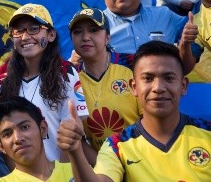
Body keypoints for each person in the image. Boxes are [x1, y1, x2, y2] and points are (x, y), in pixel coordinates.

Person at [57, 41, 211, 181]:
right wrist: (76, 150)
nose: (158, 88)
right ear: (134, 87)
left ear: (183, 86)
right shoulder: (117, 145)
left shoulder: (207, 133)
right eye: (148, 78)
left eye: (169, 78)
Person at [0, 3, 89, 163]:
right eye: (18, 31)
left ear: (51, 35)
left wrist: (62, 176)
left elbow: (71, 133)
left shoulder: (66, 72)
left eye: (34, 29)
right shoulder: (0, 76)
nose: (25, 37)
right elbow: (4, 134)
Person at [68, 8, 140, 163]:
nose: (85, 37)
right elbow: (77, 139)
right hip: (101, 166)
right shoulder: (71, 79)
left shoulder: (133, 65)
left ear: (107, 37)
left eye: (94, 30)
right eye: (78, 32)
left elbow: (152, 118)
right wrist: (106, 167)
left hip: (143, 158)